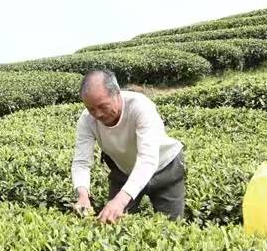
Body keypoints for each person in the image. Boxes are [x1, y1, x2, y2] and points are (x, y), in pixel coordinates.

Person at [71, 69, 186, 224]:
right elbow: (81, 162)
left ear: (117, 94)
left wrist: (119, 201)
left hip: (165, 167)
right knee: (110, 223)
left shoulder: (140, 107)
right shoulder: (86, 120)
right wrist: (83, 195)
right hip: (124, 170)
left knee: (172, 226)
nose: (97, 114)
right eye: (91, 108)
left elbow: (147, 159)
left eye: (102, 106)